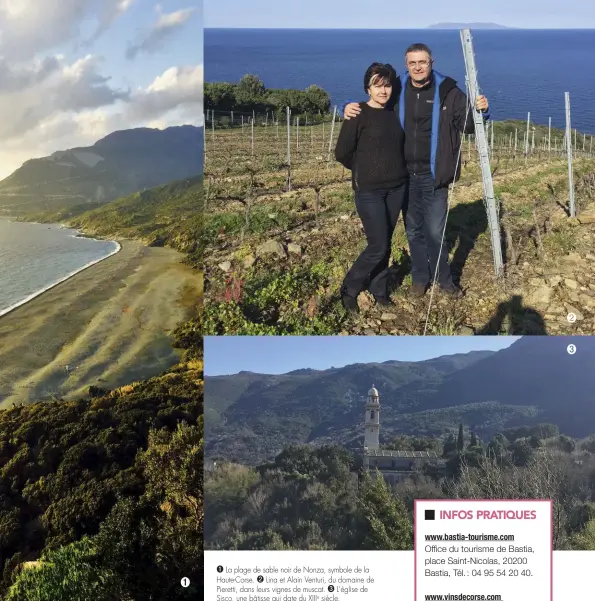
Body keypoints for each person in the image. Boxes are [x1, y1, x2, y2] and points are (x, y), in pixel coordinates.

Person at [342, 43, 490, 298]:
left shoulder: (449, 92)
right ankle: (420, 279)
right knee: (413, 231)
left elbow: (467, 125)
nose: (418, 67)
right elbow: (375, 103)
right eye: (412, 63)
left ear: (431, 63)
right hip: (403, 177)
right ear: (406, 65)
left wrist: (481, 111)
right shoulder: (397, 88)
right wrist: (350, 107)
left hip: (434, 175)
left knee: (435, 231)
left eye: (423, 62)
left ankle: (444, 280)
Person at [334, 62, 408, 315]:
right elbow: (342, 152)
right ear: (368, 88)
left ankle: (379, 290)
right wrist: (363, 169)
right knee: (376, 245)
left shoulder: (396, 112)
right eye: (377, 86)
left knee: (385, 243)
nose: (383, 90)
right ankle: (349, 288)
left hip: (397, 188)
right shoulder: (358, 114)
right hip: (369, 190)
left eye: (387, 85)